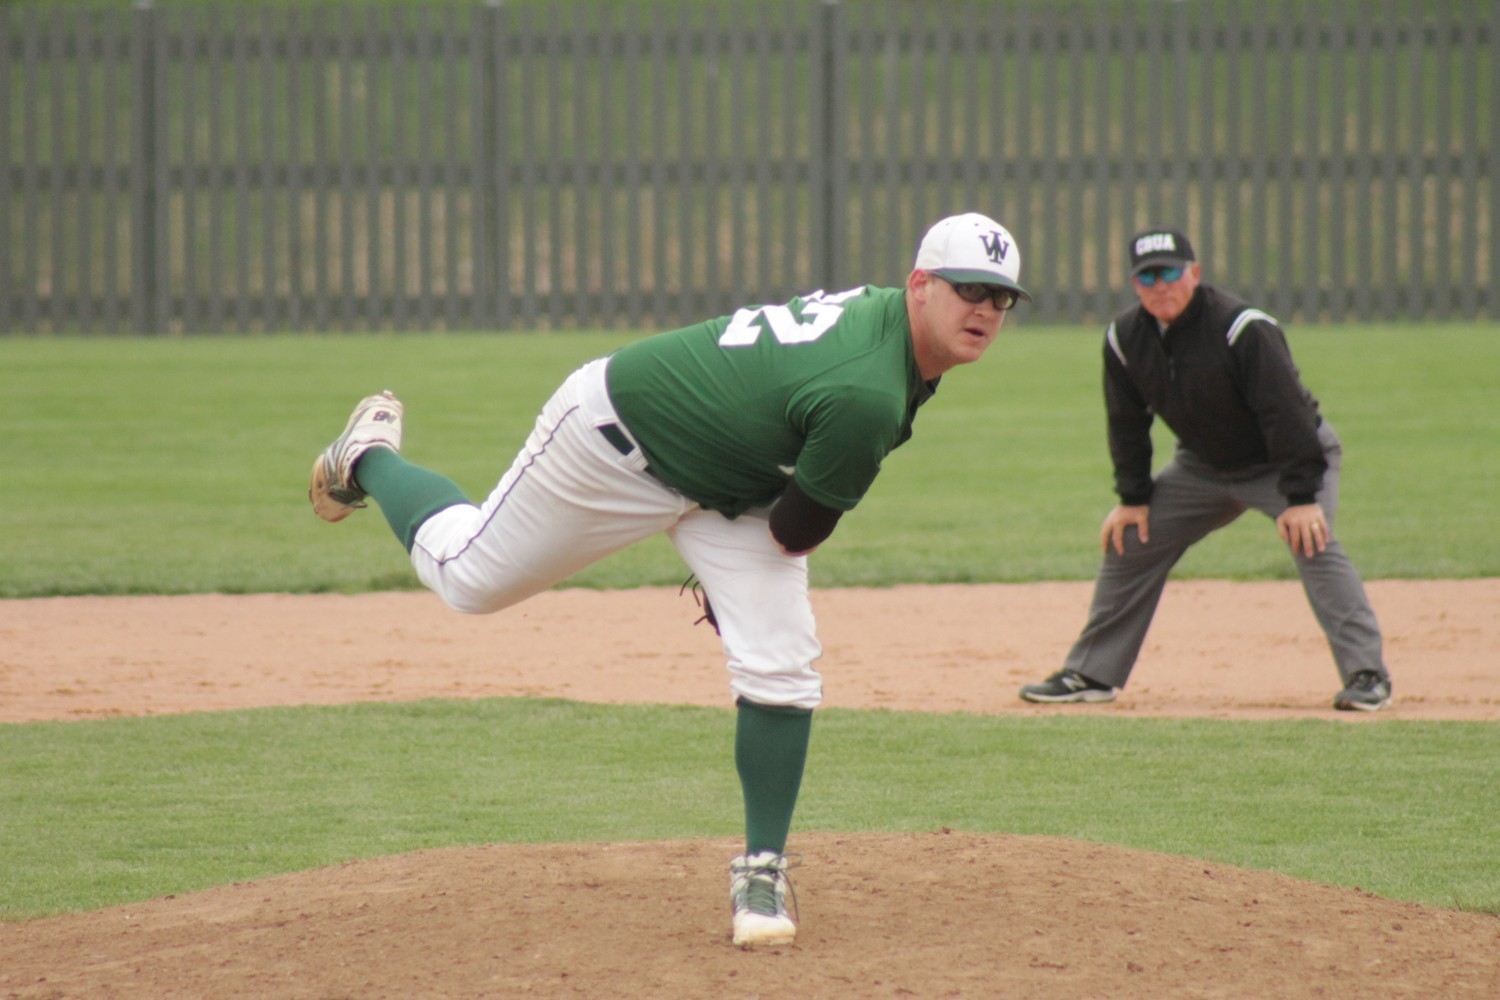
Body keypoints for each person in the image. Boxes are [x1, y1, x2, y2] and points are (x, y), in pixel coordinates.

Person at [308, 212, 1031, 947]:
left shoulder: (891, 339)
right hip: (616, 440)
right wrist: (731, 580)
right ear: (918, 285)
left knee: (781, 658)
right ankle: (367, 455)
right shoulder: (867, 394)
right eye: (968, 287)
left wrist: (738, 580)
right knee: (467, 577)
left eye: (1001, 297)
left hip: (734, 477)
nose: (984, 309)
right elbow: (794, 532)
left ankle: (761, 869)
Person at [1020, 227, 1393, 712]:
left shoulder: (1242, 327)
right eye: (1148, 276)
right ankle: (1093, 674)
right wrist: (1132, 497)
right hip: (1203, 467)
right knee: (1131, 540)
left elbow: (1288, 415)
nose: (1160, 285)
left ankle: (1368, 676)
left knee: (1311, 540)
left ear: (1194, 273)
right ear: (1135, 284)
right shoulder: (1124, 338)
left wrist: (1301, 498)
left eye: (1170, 272)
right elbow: (1127, 422)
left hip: (1284, 460)